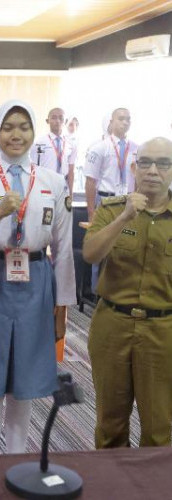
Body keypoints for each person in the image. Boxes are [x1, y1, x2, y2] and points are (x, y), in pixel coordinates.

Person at [0, 100, 76, 454]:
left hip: (36, 281)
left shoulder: (52, 182)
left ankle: (17, 460)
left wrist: (62, 307)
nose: (16, 135)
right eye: (8, 127)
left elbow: (63, 248)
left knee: (25, 384)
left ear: (34, 132)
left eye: (23, 126)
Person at [83, 137, 172, 448]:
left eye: (163, 164)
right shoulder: (112, 209)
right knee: (110, 425)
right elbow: (91, 254)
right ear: (134, 167)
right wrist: (123, 219)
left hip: (163, 330)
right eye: (145, 162)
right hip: (112, 324)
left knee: (160, 428)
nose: (153, 171)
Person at [84, 108, 138, 221]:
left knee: (128, 237)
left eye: (128, 119)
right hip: (106, 201)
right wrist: (91, 213)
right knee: (104, 237)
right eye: (121, 119)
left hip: (129, 202)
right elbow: (90, 181)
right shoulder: (99, 148)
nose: (125, 122)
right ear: (111, 122)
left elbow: (138, 179)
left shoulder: (137, 149)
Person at [31, 108, 76, 193]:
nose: (58, 121)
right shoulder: (39, 143)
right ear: (47, 121)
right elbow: (34, 168)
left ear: (65, 121)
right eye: (54, 118)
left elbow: (71, 171)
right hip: (45, 186)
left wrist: (71, 193)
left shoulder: (71, 144)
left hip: (64, 186)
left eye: (61, 118)